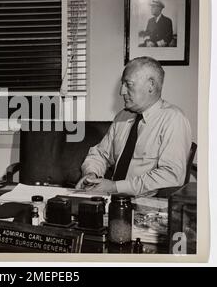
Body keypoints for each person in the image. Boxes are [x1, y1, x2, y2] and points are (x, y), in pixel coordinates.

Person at [76, 56, 192, 196]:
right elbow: (100, 154)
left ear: (151, 85)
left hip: (145, 205)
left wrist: (115, 187)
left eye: (128, 84)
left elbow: (171, 176)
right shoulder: (123, 117)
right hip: (111, 200)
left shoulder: (173, 119)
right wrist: (91, 174)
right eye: (122, 84)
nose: (121, 92)